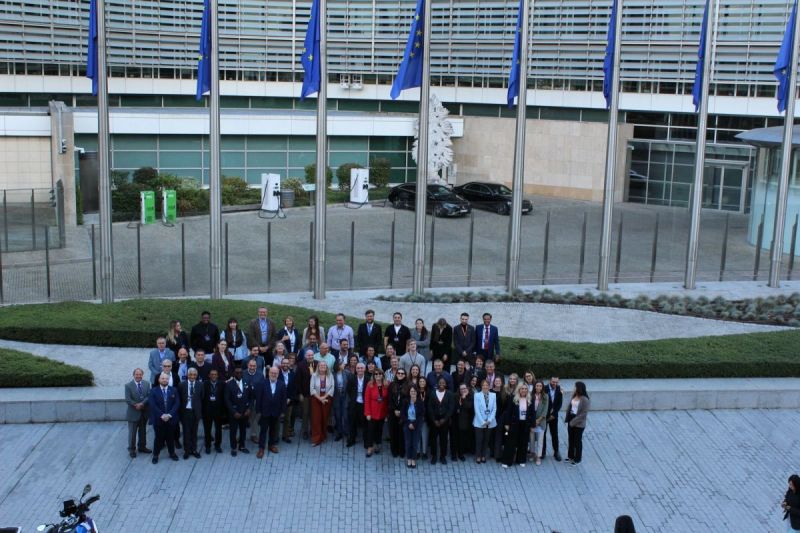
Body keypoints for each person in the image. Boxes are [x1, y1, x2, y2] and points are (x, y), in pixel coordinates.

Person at [500, 384, 534, 468]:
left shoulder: (530, 399)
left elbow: (533, 413)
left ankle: (521, 460)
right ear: (519, 390)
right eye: (522, 389)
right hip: (514, 423)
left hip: (525, 424)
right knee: (510, 443)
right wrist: (507, 423)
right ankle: (507, 461)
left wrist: (532, 425)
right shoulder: (513, 398)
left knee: (523, 443)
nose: (524, 390)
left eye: (525, 389)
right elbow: (508, 411)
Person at [255, 366, 287, 458]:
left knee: (273, 430)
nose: (273, 374)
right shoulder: (262, 383)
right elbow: (258, 398)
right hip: (264, 412)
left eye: (275, 373)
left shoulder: (282, 384)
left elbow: (283, 399)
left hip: (276, 412)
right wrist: (258, 411)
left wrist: (283, 411)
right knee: (263, 430)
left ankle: (271, 445)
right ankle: (261, 448)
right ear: (269, 373)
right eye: (272, 373)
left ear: (278, 374)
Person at [149, 372, 179, 464]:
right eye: (163, 378)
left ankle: (172, 453)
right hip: (158, 419)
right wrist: (162, 415)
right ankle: (155, 455)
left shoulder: (174, 390)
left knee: (170, 437)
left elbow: (177, 404)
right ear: (159, 380)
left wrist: (169, 415)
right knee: (158, 438)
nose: (164, 380)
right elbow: (152, 405)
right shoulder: (153, 391)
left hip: (171, 419)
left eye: (166, 379)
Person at [427, 376, 454, 465]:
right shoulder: (432, 393)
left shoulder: (449, 394)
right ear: (437, 383)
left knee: (444, 439)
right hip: (434, 420)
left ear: (445, 384)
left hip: (444, 421)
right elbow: (430, 407)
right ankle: (434, 456)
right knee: (433, 439)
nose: (441, 384)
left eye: (443, 383)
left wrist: (444, 419)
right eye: (440, 382)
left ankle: (443, 456)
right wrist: (434, 420)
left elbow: (451, 408)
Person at [225, 366, 252, 456]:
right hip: (234, 413)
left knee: (243, 430)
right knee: (233, 431)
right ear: (234, 373)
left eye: (241, 372)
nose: (239, 374)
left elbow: (251, 397)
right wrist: (234, 412)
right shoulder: (229, 384)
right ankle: (233, 447)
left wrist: (249, 409)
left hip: (245, 412)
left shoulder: (247, 382)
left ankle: (242, 446)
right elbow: (227, 400)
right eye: (237, 372)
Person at [124, 368, 151, 458]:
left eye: (140, 374)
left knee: (143, 432)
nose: (138, 376)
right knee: (132, 433)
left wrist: (142, 403)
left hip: (144, 412)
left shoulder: (147, 384)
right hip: (133, 413)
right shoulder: (128, 386)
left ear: (142, 375)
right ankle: (132, 449)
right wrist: (136, 405)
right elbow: (128, 399)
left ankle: (142, 447)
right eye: (137, 374)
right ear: (133, 375)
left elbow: (148, 396)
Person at [178, 368, 203, 460]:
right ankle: (187, 450)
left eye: (194, 375)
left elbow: (202, 398)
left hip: (195, 412)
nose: (192, 376)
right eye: (190, 374)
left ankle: (194, 450)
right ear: (187, 375)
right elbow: (179, 399)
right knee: (186, 432)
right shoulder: (181, 385)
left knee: (194, 432)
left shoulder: (200, 385)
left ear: (196, 376)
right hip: (185, 412)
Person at [364, 370, 389, 457]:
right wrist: (367, 413)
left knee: (379, 430)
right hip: (372, 412)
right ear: (374, 375)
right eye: (376, 374)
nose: (378, 375)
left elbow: (387, 400)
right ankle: (370, 447)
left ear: (383, 375)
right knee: (370, 431)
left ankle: (377, 444)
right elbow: (366, 399)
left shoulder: (386, 385)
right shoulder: (370, 385)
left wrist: (386, 414)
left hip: (382, 412)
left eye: (380, 374)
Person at [309, 360, 335, 446]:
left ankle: (323, 436)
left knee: (324, 417)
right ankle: (316, 439)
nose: (323, 367)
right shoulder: (314, 375)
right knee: (316, 419)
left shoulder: (330, 375)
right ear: (318, 367)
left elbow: (332, 387)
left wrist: (324, 397)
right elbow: (312, 388)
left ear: (326, 367)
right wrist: (320, 398)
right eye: (321, 365)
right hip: (316, 398)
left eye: (324, 365)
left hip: (327, 398)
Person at [566, 381, 590, 465]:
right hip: (571, 418)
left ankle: (577, 459)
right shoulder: (574, 396)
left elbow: (583, 414)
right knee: (571, 439)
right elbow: (570, 407)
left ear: (579, 388)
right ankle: (570, 456)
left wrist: (573, 422)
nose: (573, 388)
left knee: (577, 441)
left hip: (579, 423)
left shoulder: (585, 399)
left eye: (575, 387)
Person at [473, 379, 496, 464]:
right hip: (479, 422)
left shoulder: (493, 395)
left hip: (490, 422)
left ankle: (483, 455)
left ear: (489, 386)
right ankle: (478, 456)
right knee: (479, 440)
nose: (485, 387)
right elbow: (476, 409)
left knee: (486, 440)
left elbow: (494, 409)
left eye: (487, 385)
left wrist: (489, 420)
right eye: (483, 385)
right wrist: (483, 421)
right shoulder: (477, 395)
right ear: (481, 386)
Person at [202, 369, 225, 454]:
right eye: (212, 374)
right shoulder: (204, 384)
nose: (213, 376)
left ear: (217, 375)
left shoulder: (222, 384)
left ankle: (217, 445)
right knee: (207, 430)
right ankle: (208, 446)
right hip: (207, 411)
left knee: (218, 429)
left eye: (215, 374)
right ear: (209, 375)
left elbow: (224, 397)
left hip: (218, 410)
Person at [401, 386, 424, 469]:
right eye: (411, 391)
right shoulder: (405, 401)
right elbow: (403, 414)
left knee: (415, 443)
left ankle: (413, 458)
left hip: (416, 425)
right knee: (408, 443)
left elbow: (421, 415)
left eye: (414, 391)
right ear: (409, 392)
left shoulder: (420, 402)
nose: (413, 393)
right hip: (407, 424)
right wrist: (409, 423)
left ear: (417, 392)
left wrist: (414, 424)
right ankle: (409, 458)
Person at [243, 358, 265, 444]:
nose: (252, 367)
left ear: (256, 366)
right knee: (243, 418)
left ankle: (254, 434)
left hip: (256, 399)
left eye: (254, 366)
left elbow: (262, 387)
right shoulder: (243, 373)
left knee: (254, 418)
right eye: (251, 365)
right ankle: (241, 435)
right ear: (247, 365)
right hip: (244, 399)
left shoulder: (260, 375)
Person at [346, 362, 368, 447]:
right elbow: (348, 390)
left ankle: (366, 441)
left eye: (361, 368)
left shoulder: (368, 379)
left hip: (364, 404)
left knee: (365, 423)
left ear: (364, 369)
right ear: (356, 369)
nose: (360, 370)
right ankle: (352, 439)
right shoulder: (352, 378)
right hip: (354, 403)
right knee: (352, 422)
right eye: (358, 368)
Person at [451, 382, 474, 461]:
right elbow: (452, 407)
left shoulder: (470, 396)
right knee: (454, 438)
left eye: (464, 388)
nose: (463, 390)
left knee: (462, 439)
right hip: (455, 420)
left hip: (464, 421)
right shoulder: (455, 396)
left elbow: (468, 406)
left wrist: (464, 398)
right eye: (461, 389)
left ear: (467, 388)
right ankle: (453, 454)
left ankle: (461, 454)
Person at [296, 349, 315, 440]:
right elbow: (298, 380)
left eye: (311, 355)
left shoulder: (317, 364)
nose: (310, 357)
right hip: (305, 393)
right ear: (305, 356)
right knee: (305, 413)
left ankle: (313, 430)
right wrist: (300, 393)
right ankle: (305, 431)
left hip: (315, 394)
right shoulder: (300, 365)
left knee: (314, 413)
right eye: (308, 355)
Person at [542, 376, 563, 461]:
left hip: (554, 416)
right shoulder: (544, 388)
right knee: (543, 434)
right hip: (544, 415)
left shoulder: (559, 389)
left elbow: (559, 403)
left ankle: (556, 451)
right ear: (550, 381)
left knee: (554, 434)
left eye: (556, 382)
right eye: (553, 382)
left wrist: (554, 414)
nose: (555, 383)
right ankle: (543, 452)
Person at [387, 368, 407, 457]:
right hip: (393, 412)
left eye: (402, 373)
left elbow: (407, 400)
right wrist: (394, 409)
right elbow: (389, 399)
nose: (400, 375)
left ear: (405, 375)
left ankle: (401, 451)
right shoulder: (392, 385)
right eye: (399, 373)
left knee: (402, 433)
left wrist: (401, 411)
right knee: (393, 432)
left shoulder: (408, 385)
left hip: (403, 413)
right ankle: (394, 451)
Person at [333, 355, 352, 441]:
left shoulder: (347, 373)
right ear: (338, 365)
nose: (344, 365)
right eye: (342, 364)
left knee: (345, 415)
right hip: (336, 397)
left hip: (345, 397)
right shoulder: (333, 374)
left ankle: (347, 432)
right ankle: (339, 432)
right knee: (338, 415)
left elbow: (351, 385)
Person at [530, 380, 549, 465]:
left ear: (542, 387)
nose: (538, 387)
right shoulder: (531, 395)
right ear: (535, 386)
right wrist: (532, 421)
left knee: (540, 441)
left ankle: (538, 457)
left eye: (540, 386)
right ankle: (532, 453)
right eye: (537, 386)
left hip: (541, 422)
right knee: (531, 439)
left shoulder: (545, 396)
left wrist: (538, 420)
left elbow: (545, 410)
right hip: (532, 421)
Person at [279, 357, 297, 443]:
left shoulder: (293, 374)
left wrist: (290, 398)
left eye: (287, 363)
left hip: (289, 400)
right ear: (281, 364)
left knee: (287, 419)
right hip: (278, 401)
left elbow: (294, 388)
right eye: (284, 363)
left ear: (289, 364)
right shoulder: (277, 373)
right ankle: (275, 437)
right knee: (277, 420)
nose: (285, 365)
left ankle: (285, 436)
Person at [490, 376, 507, 460]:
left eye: (499, 381)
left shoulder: (504, 392)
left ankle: (498, 454)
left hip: (500, 417)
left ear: (502, 382)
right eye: (496, 381)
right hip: (491, 416)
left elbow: (506, 406)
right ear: (494, 382)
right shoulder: (490, 391)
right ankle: (492, 451)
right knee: (492, 435)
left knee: (498, 436)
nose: (497, 382)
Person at [416, 376, 430, 460]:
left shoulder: (429, 392)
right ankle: (417, 452)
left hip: (426, 418)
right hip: (417, 418)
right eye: (420, 381)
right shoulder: (415, 392)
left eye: (423, 381)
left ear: (426, 383)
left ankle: (424, 452)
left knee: (425, 436)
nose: (422, 383)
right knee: (417, 435)